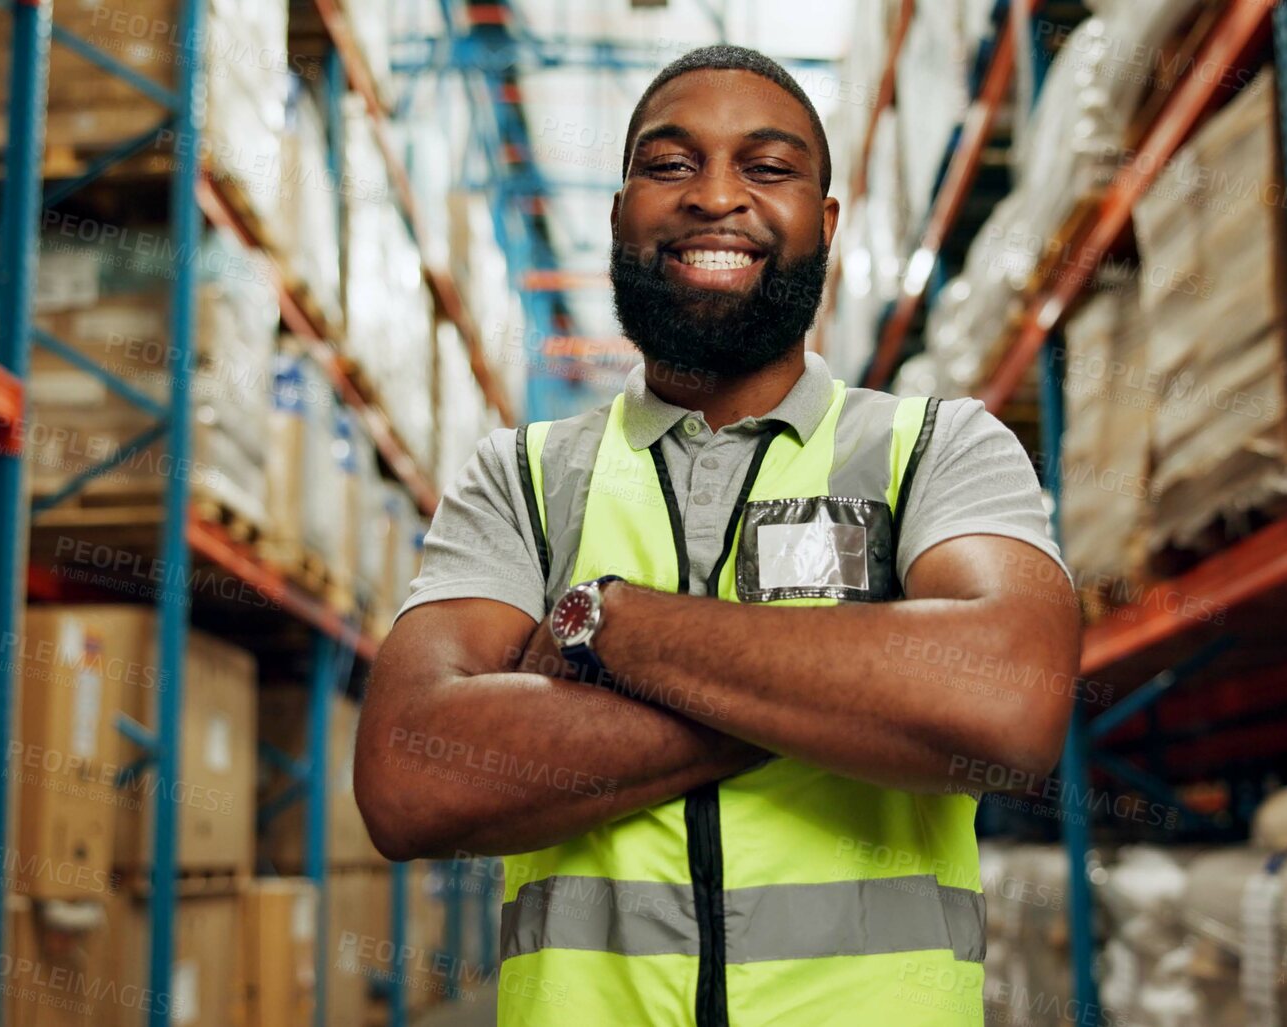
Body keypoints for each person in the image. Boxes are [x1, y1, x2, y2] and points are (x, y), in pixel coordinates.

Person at [356, 44, 1082, 1027]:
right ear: (619, 214)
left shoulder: (933, 449)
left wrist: (604, 626)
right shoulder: (522, 477)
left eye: (768, 166)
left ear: (824, 224)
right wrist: (851, 687)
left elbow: (1010, 702)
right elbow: (408, 775)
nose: (715, 196)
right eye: (669, 164)